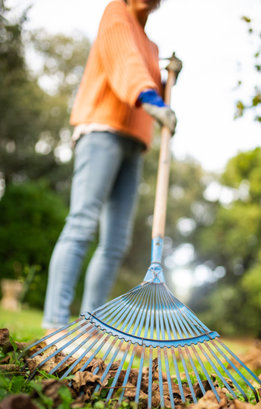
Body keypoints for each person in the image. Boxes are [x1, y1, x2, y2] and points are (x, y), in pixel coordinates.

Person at [42, 0, 177, 332]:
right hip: (102, 130)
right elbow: (125, 64)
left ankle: (89, 328)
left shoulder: (151, 45)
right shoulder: (116, 12)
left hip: (135, 141)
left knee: (116, 241)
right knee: (82, 224)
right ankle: (55, 324)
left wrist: (167, 79)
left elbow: (145, 83)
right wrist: (152, 98)